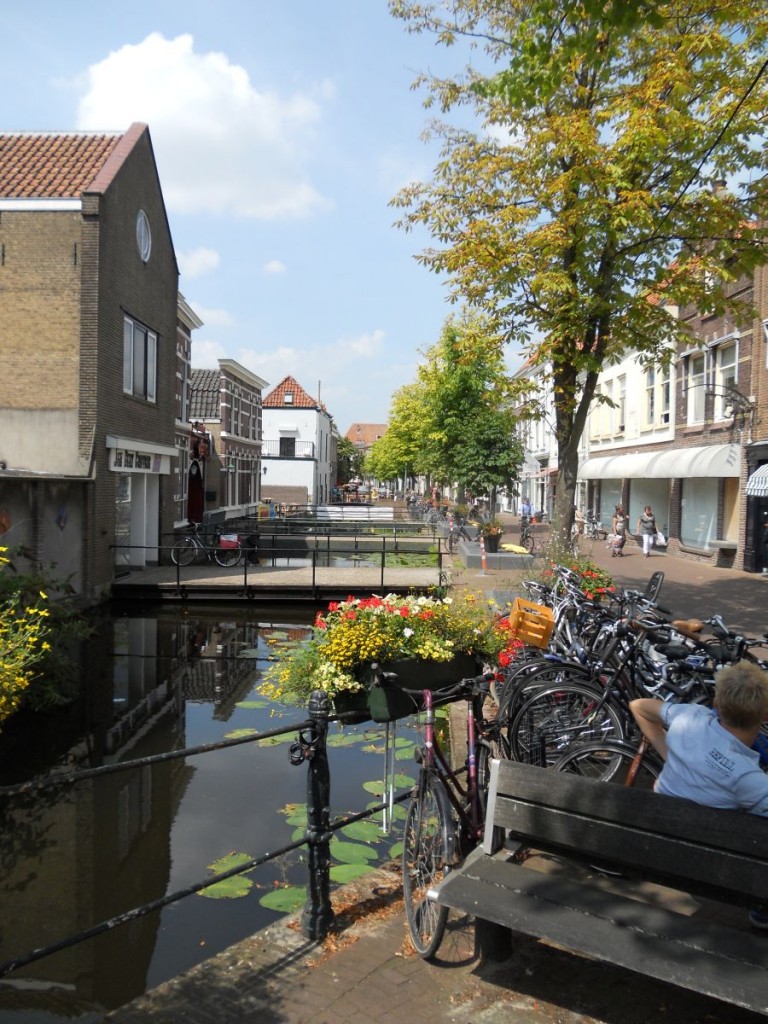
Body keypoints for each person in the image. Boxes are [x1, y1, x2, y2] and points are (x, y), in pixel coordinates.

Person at [630, 661, 768, 928]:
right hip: (708, 864)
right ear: (765, 716)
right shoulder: (748, 780)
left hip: (662, 834)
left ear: (716, 704)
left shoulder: (689, 717)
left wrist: (668, 754)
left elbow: (639, 706)